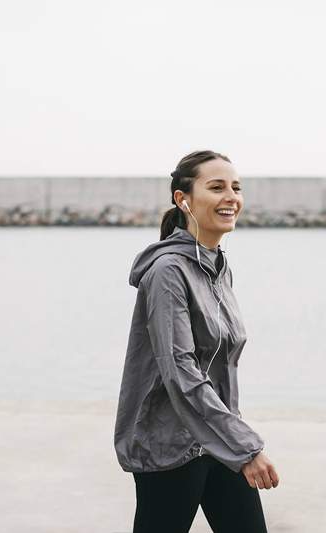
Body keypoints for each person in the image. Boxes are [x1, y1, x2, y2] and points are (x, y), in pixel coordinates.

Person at [114, 150, 280, 533]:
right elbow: (180, 370)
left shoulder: (218, 267)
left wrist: (231, 438)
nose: (231, 197)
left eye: (236, 188)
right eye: (217, 187)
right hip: (169, 445)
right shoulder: (167, 272)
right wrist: (246, 446)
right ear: (182, 199)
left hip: (217, 439)